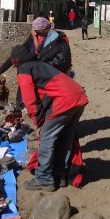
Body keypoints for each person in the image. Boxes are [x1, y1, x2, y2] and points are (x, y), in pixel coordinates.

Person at [9, 44, 88, 191]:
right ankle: (61, 175)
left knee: (46, 137)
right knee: (65, 138)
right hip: (78, 95)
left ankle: (44, 178)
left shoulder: (24, 69)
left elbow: (29, 99)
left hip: (65, 100)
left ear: (15, 61)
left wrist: (38, 123)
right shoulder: (39, 65)